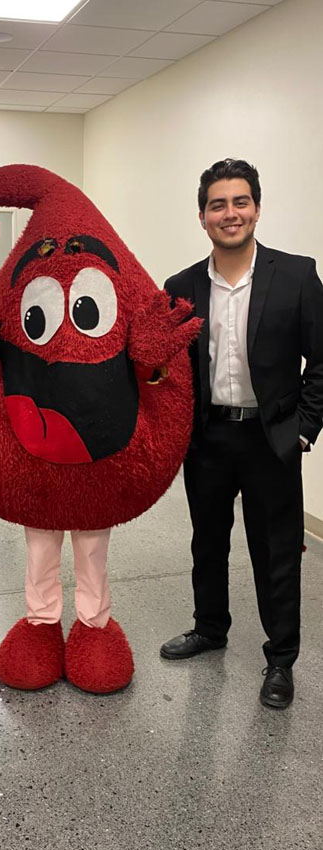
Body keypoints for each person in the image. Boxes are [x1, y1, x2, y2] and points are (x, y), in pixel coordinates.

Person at [160, 158, 323, 709]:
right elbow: (170, 369)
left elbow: (321, 361)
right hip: (208, 438)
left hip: (271, 440)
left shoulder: (296, 276)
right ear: (202, 216)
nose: (229, 214)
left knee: (276, 552)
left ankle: (281, 660)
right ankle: (210, 628)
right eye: (218, 205)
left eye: (240, 202)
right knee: (207, 541)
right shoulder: (180, 287)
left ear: (256, 208)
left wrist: (303, 430)